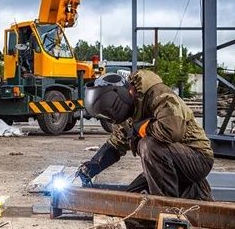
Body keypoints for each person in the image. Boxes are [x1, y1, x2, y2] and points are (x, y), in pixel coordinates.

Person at [77, 70, 214, 201]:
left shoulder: (159, 95)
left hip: (197, 158)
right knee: (131, 199)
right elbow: (116, 143)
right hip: (172, 164)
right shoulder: (130, 111)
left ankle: (168, 208)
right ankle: (195, 191)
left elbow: (171, 130)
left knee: (148, 145)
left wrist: (141, 128)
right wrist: (92, 166)